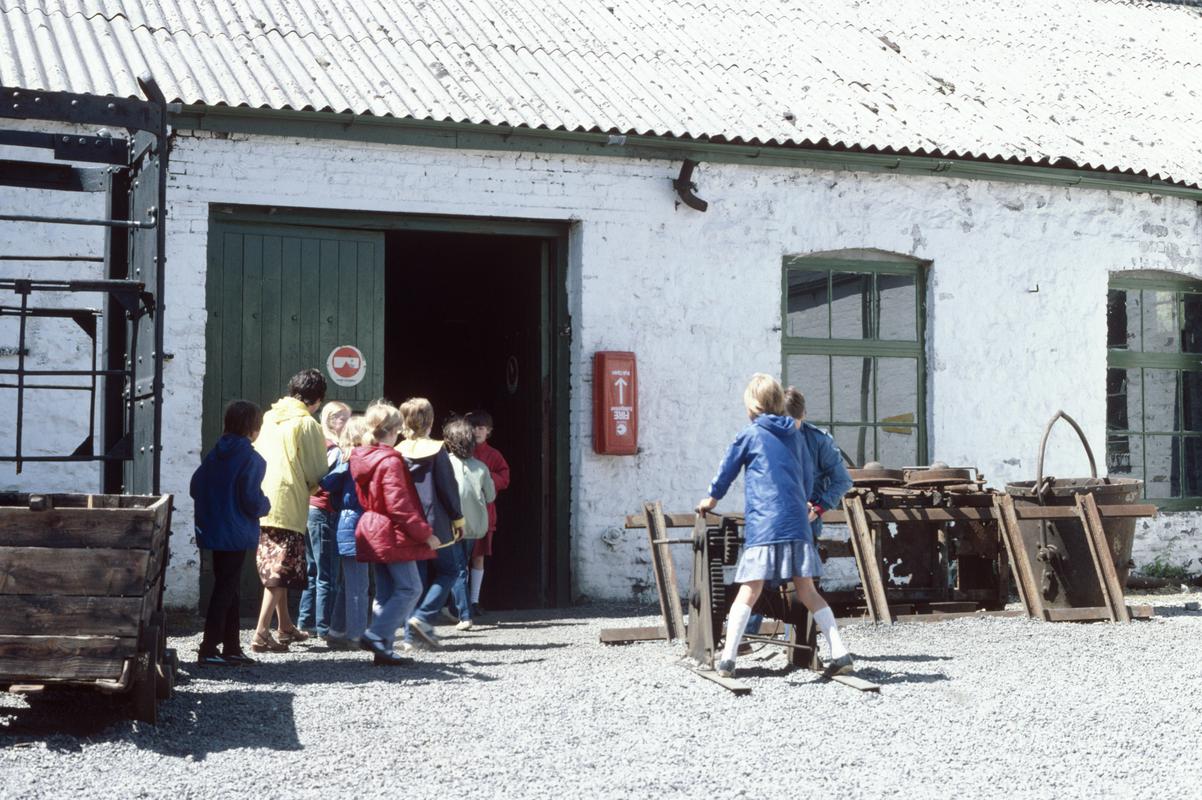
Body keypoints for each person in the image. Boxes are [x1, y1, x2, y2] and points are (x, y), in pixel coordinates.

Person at [696, 373, 853, 679]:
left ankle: (727, 659)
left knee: (749, 589)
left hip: (765, 525)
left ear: (753, 405)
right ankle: (840, 652)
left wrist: (711, 499)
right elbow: (806, 478)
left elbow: (727, 470)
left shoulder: (750, 434)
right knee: (807, 591)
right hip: (798, 525)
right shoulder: (796, 435)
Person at [744, 386, 855, 639]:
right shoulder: (765, 438)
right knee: (760, 576)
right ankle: (747, 637)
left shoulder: (818, 441)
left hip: (805, 524)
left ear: (803, 415)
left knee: (802, 585)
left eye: (792, 421)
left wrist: (818, 507)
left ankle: (799, 642)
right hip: (772, 521)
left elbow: (842, 480)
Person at [350, 401, 436, 666]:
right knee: (411, 588)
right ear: (393, 430)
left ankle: (383, 649)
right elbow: (399, 505)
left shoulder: (363, 456)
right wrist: (425, 534)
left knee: (386, 591)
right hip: (389, 529)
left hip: (371, 525)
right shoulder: (390, 461)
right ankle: (376, 635)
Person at [251, 369, 330, 653]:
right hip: (288, 501)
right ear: (317, 400)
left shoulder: (270, 417)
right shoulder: (307, 423)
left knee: (277, 566)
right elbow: (316, 469)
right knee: (279, 569)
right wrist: (319, 485)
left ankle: (285, 627)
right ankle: (261, 632)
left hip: (262, 498)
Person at [190, 400, 271, 666]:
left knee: (228, 585)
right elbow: (251, 500)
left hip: (214, 528)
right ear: (253, 428)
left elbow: (195, 486)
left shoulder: (215, 453)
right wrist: (265, 504)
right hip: (235, 531)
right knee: (225, 589)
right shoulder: (251, 459)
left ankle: (231, 646)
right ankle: (209, 648)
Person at [399, 397, 466, 649]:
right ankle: (423, 616)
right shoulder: (438, 450)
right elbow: (448, 488)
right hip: (437, 524)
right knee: (449, 571)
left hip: (410, 524)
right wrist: (458, 518)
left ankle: (409, 638)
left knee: (415, 581)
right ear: (431, 420)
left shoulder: (397, 451)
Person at [299, 401, 350, 639]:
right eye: (341, 417)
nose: (346, 422)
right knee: (326, 573)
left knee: (313, 570)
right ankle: (324, 626)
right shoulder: (333, 449)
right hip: (323, 511)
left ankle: (306, 621)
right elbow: (322, 480)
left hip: (311, 510)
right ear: (330, 420)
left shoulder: (318, 444)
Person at [442, 417, 496, 631]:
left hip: (450, 525)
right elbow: (490, 496)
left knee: (457, 569)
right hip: (474, 526)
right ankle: (454, 609)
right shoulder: (482, 467)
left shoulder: (444, 463)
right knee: (460, 566)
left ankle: (464, 615)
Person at [322, 415, 370, 649]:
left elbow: (327, 483)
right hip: (358, 525)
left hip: (346, 523)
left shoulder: (345, 459)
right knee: (359, 585)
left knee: (349, 582)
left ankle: (337, 629)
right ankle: (356, 635)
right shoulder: (359, 460)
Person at [465, 409, 510, 618]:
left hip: (484, 513)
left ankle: (474, 600)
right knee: (460, 559)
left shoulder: (493, 455)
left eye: (481, 428)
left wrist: (486, 478)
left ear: (489, 431)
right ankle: (460, 601)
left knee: (478, 557)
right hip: (463, 514)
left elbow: (504, 477)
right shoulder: (461, 451)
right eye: (473, 427)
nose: (477, 431)